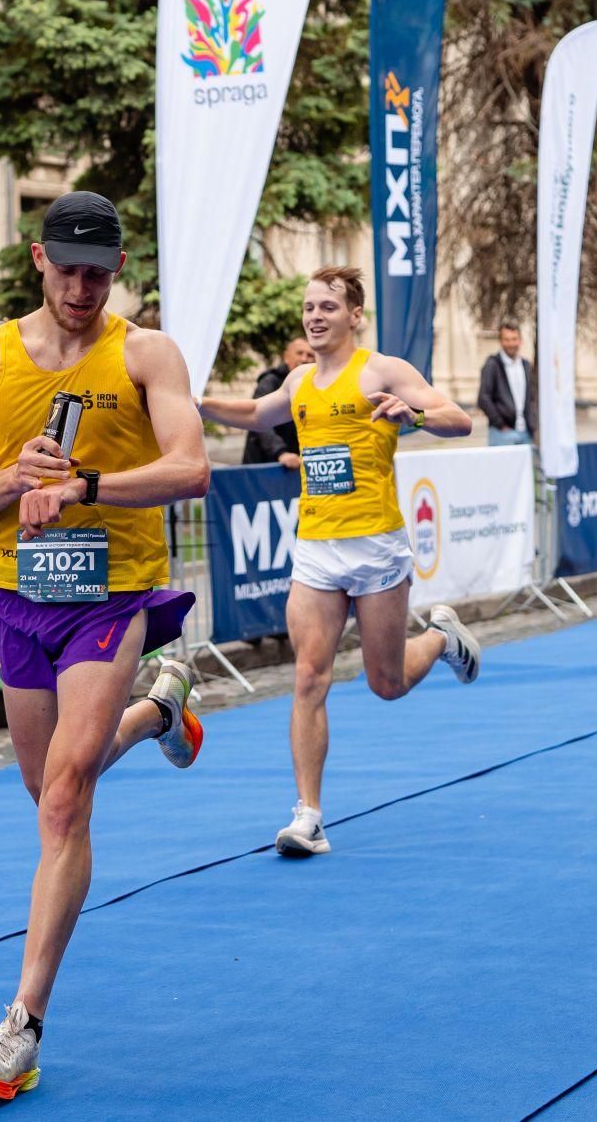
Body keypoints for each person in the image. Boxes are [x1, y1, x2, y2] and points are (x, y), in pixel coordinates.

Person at [0, 190, 210, 1100]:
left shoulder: (145, 351)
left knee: (62, 802)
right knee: (54, 787)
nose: (83, 289)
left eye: (100, 274)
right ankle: (161, 707)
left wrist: (86, 485)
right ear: (38, 259)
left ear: (118, 270)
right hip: (23, 600)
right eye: (69, 271)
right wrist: (15, 477)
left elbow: (191, 467)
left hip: (113, 591)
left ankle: (21, 1028)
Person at [198, 266, 482, 858]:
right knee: (308, 677)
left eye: (328, 306)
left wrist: (415, 417)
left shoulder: (383, 370)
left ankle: (441, 638)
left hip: (377, 546)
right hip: (317, 550)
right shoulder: (300, 381)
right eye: (308, 307)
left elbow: (461, 419)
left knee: (387, 683)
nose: (315, 315)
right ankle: (308, 816)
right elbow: (256, 415)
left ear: (355, 315)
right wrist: (193, 402)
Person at [239, 337, 312, 468]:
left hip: (296, 466)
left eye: (310, 355)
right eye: (299, 353)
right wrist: (281, 453)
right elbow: (258, 420)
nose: (304, 359)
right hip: (264, 467)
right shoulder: (270, 381)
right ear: (286, 357)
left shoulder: (313, 386)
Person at [476, 322, 536, 445]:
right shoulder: (492, 365)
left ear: (520, 340)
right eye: (507, 339)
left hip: (526, 433)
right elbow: (483, 398)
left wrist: (533, 424)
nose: (511, 344)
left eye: (514, 339)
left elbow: (532, 398)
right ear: (501, 341)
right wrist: (500, 424)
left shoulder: (526, 365)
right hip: (501, 433)